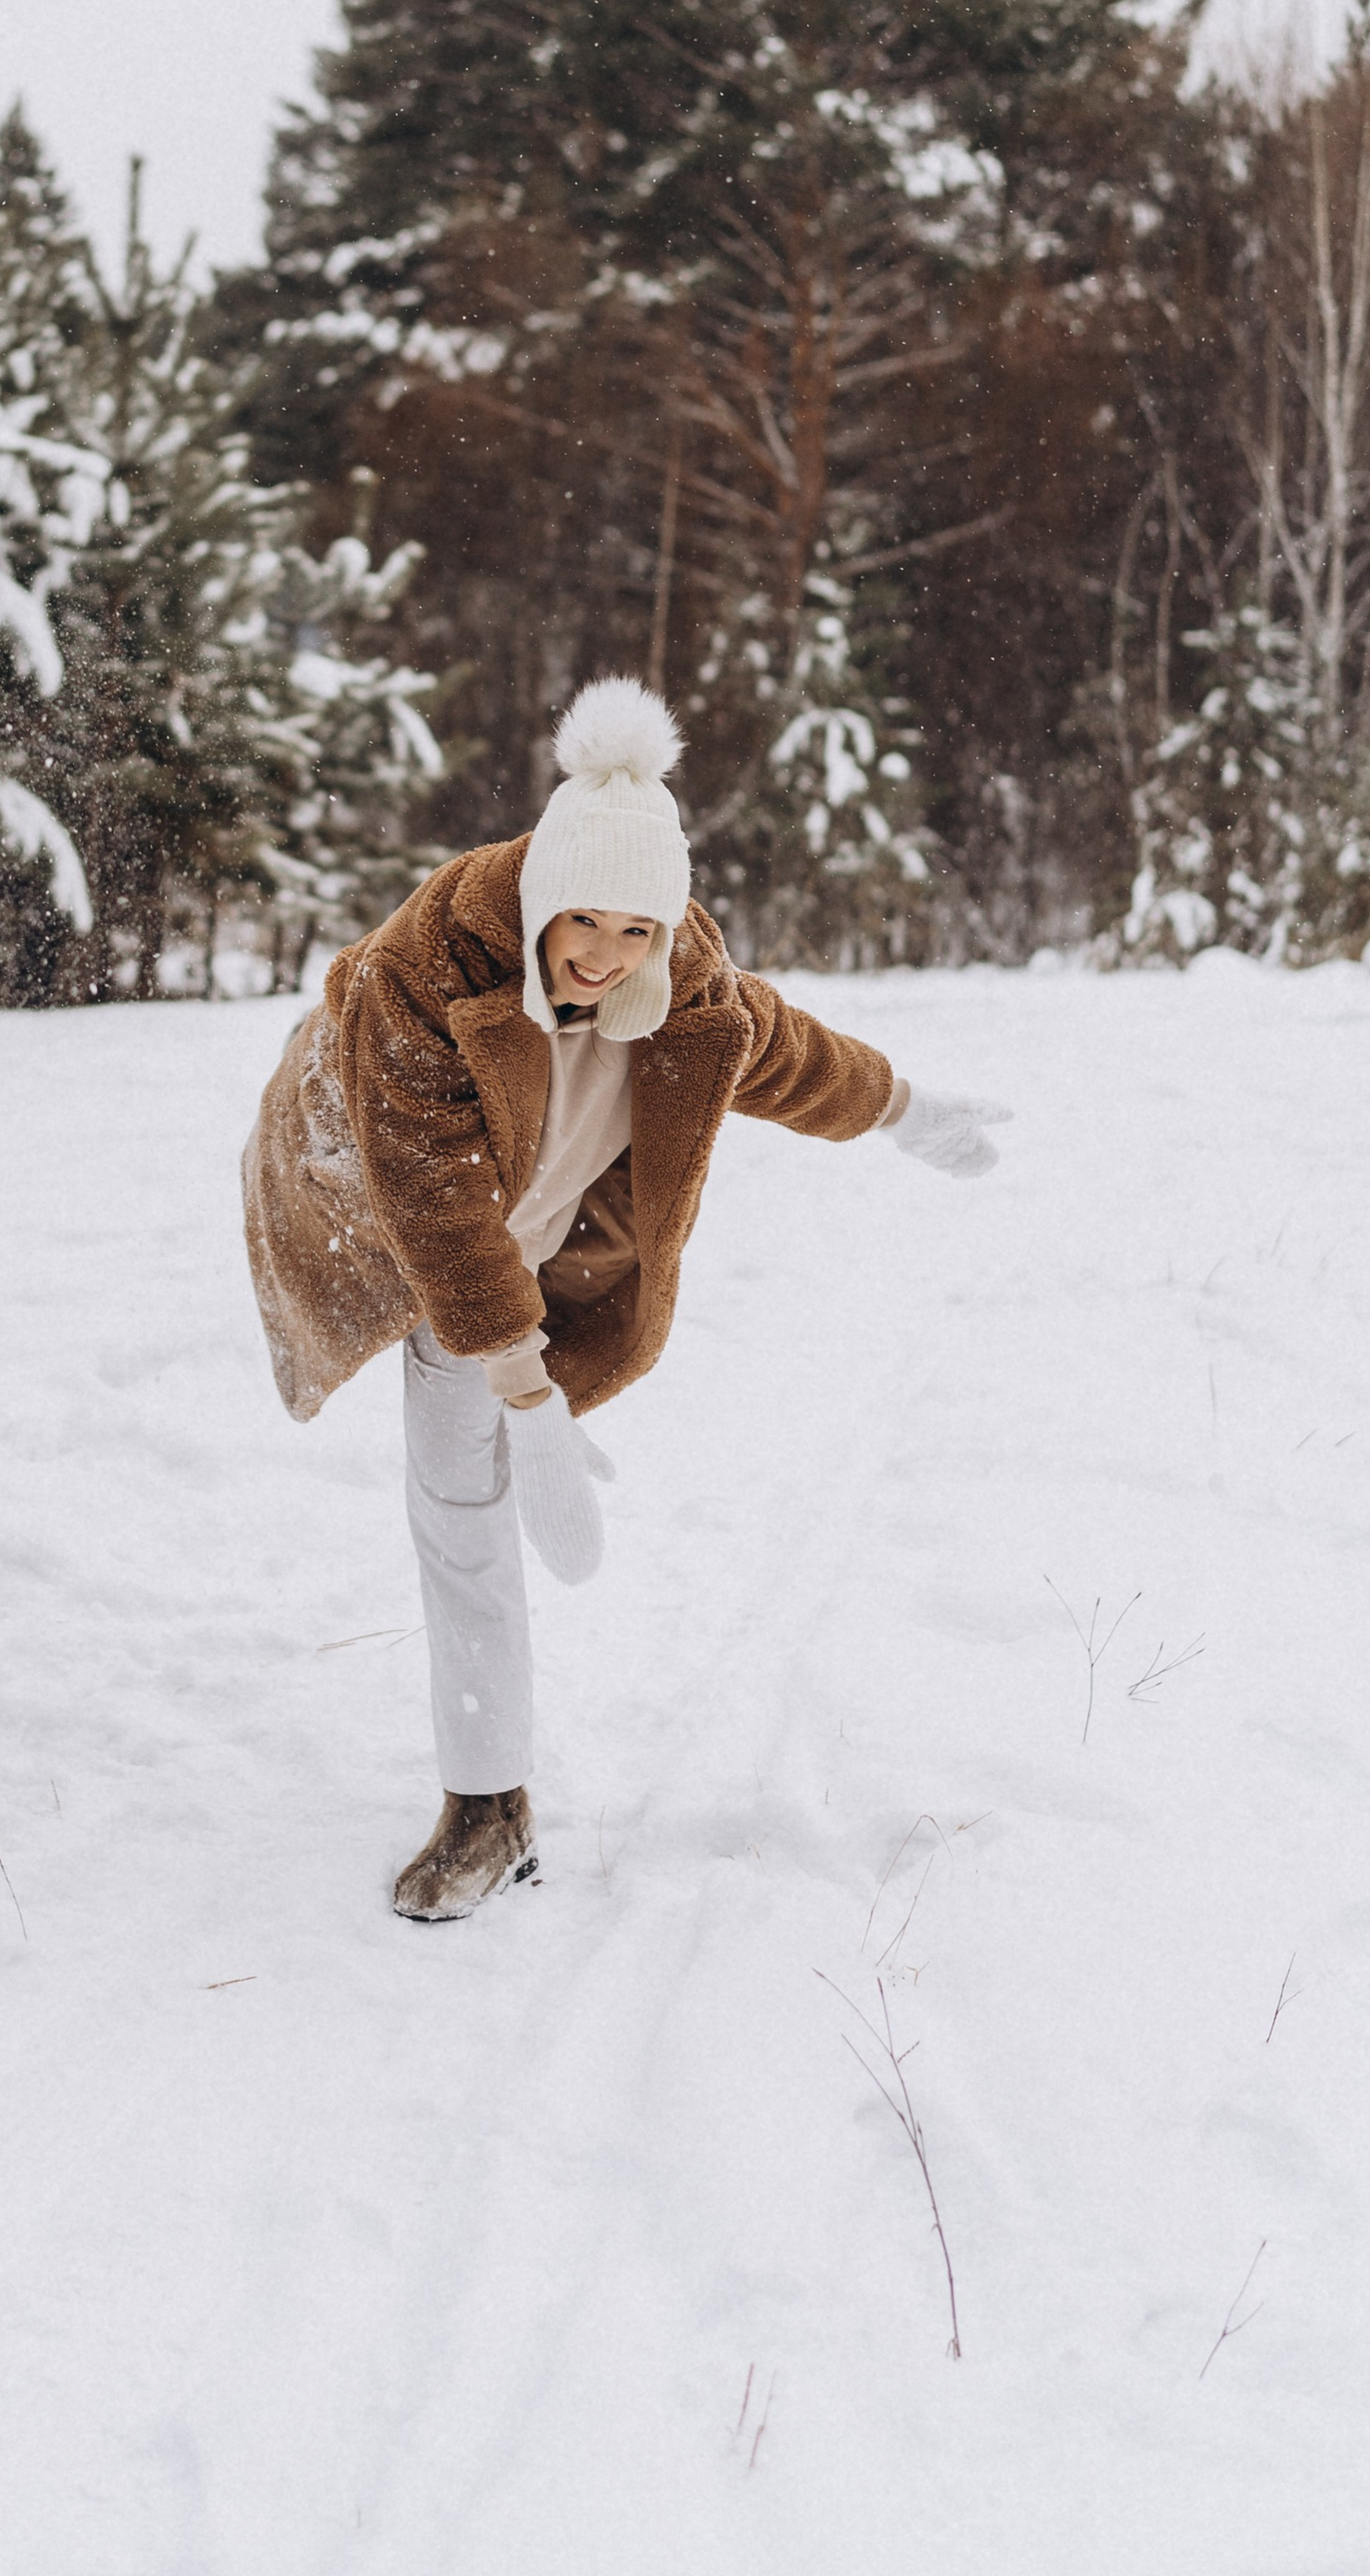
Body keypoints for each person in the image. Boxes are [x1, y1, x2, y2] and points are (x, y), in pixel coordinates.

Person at [243, 678, 1007, 1923]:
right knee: (460, 1498)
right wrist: (529, 1399)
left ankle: (490, 1802)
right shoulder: (423, 975)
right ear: (540, 896)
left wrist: (909, 1113)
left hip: (537, 1223)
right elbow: (436, 1212)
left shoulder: (683, 984)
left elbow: (787, 1054)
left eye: (636, 931)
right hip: (373, 1201)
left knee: (477, 1475)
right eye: (581, 921)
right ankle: (488, 1805)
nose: (602, 955)